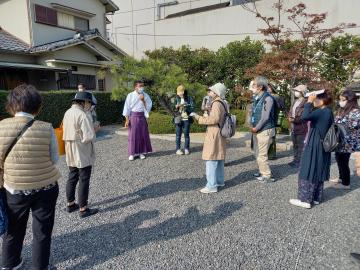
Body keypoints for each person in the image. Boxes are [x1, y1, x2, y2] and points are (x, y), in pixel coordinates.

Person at [0, 84, 60, 270]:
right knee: (42, 230)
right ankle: (40, 266)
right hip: (46, 187)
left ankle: (9, 264)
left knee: (14, 228)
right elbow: (55, 158)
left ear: (11, 105)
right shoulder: (46, 128)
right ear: (38, 106)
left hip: (14, 189)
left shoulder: (1, 127)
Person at [289, 90, 333, 209]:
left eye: (316, 98)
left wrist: (308, 102)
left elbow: (304, 117)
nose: (314, 100)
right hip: (323, 145)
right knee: (318, 169)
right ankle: (316, 197)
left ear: (322, 100)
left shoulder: (321, 112)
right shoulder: (328, 111)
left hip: (314, 144)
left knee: (307, 169)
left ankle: (305, 199)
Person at [63, 91, 98, 218]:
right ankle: (83, 208)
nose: (90, 106)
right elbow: (89, 136)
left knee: (72, 175)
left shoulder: (67, 112)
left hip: (69, 146)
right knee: (84, 177)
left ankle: (70, 203)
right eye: (89, 103)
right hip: (81, 148)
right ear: (84, 102)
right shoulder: (82, 114)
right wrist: (95, 128)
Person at [191, 83, 228, 193]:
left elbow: (214, 119)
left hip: (214, 132)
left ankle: (211, 185)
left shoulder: (216, 103)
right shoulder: (223, 102)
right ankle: (219, 181)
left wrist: (199, 118)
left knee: (211, 159)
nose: (209, 92)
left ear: (216, 92)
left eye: (211, 90)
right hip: (220, 132)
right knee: (219, 158)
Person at [330, 89, 360, 189]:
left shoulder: (355, 112)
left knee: (344, 161)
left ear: (350, 100)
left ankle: (346, 184)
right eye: (340, 99)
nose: (341, 102)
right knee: (338, 158)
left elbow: (352, 126)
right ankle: (341, 178)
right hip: (340, 139)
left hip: (348, 141)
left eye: (343, 100)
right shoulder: (343, 110)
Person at [250, 76, 276, 182]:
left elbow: (265, 117)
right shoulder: (257, 98)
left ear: (260, 87)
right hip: (258, 129)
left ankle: (267, 175)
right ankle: (261, 171)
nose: (252, 87)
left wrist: (256, 127)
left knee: (262, 154)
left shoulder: (268, 98)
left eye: (254, 85)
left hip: (265, 129)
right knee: (257, 152)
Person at [123, 80, 153, 161]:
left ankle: (141, 152)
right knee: (133, 135)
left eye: (142, 86)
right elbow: (127, 107)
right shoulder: (130, 95)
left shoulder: (145, 95)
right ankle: (132, 153)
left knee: (142, 134)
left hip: (142, 116)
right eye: (140, 86)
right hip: (133, 116)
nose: (141, 88)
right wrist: (126, 119)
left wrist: (143, 100)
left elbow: (149, 106)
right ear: (135, 87)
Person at [288, 85, 309, 168]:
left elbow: (304, 117)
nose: (296, 92)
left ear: (302, 92)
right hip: (293, 126)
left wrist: (294, 120)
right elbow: (291, 110)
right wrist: (289, 117)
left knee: (301, 146)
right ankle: (295, 160)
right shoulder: (295, 101)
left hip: (302, 127)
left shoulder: (306, 102)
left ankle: (300, 162)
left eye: (297, 91)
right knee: (295, 145)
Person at [174, 85, 194, 155]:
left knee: (186, 135)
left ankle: (186, 148)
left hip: (186, 119)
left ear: (183, 91)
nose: (179, 94)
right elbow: (172, 109)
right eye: (178, 93)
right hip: (178, 119)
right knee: (178, 135)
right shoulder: (176, 98)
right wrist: (177, 107)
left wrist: (186, 106)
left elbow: (192, 108)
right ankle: (178, 149)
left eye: (181, 92)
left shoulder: (189, 98)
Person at [267, 83, 286, 160]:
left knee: (271, 137)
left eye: (269, 87)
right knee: (269, 137)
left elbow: (282, 107)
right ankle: (269, 154)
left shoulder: (276, 97)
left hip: (273, 118)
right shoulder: (267, 96)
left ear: (272, 88)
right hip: (268, 118)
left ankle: (271, 154)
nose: (268, 89)